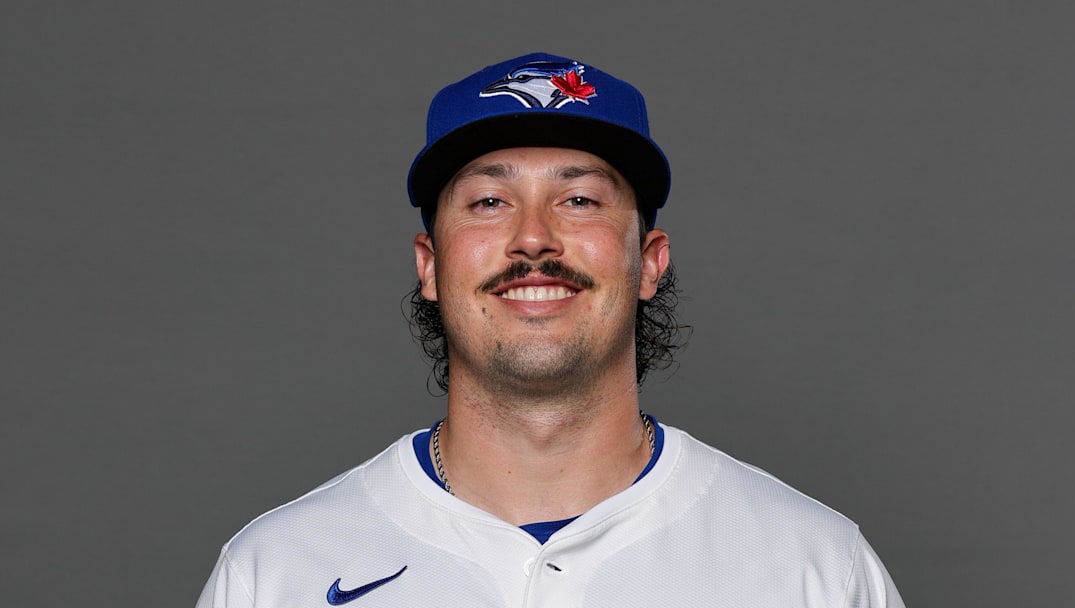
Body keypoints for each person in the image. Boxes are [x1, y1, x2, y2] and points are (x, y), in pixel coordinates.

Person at [196, 52, 905, 607]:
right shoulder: (276, 572)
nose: (533, 238)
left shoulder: (814, 568)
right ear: (432, 266)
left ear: (649, 262)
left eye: (578, 198)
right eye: (488, 200)